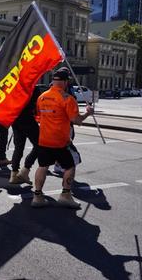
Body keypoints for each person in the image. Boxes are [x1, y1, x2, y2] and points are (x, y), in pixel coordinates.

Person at [32, 67, 93, 209]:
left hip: (44, 139)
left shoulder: (42, 97)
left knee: (42, 166)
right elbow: (76, 120)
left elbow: (38, 118)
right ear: (66, 82)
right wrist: (87, 113)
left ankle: (37, 196)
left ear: (53, 81)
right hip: (60, 141)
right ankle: (65, 195)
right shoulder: (67, 99)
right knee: (70, 166)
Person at [9, 87, 42, 184]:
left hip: (16, 119)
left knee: (18, 148)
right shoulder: (33, 88)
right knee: (39, 145)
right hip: (28, 119)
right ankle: (25, 170)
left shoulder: (14, 88)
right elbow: (37, 105)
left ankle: (14, 174)